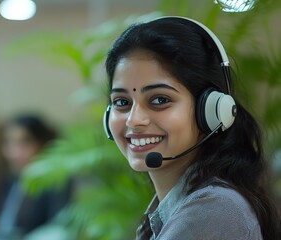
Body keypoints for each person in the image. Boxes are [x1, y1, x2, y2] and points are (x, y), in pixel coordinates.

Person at [103, 16, 281, 239]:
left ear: (212, 111)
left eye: (159, 100)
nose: (133, 120)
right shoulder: (189, 207)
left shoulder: (213, 212)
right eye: (121, 102)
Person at [0, 114, 71, 239]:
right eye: (8, 142)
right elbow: (5, 223)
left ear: (43, 145)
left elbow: (53, 231)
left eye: (24, 143)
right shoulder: (11, 181)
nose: (13, 153)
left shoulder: (55, 184)